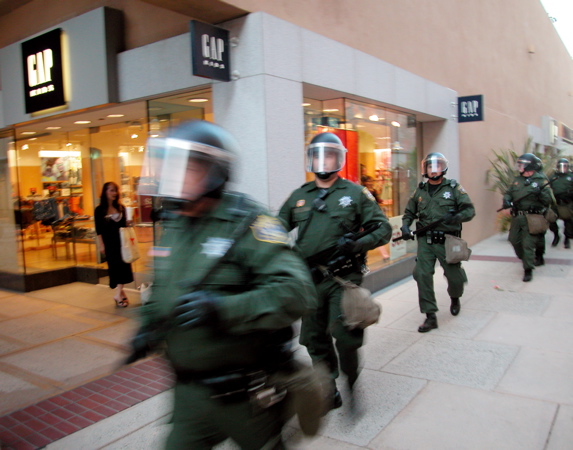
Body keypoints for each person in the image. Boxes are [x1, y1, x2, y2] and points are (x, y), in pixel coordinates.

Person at [128, 120, 317, 449]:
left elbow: (297, 291)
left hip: (244, 397)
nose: (174, 177)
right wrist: (147, 327)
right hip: (189, 395)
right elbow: (162, 289)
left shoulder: (250, 223)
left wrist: (223, 309)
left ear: (214, 172)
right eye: (171, 167)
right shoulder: (175, 225)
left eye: (187, 168)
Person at [278, 132, 392, 409]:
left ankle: (350, 377)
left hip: (343, 277)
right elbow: (276, 228)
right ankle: (329, 387)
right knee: (314, 339)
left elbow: (383, 228)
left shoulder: (354, 194)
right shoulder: (299, 196)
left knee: (346, 336)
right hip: (310, 280)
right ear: (310, 159)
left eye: (329, 155)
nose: (323, 161)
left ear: (338, 159)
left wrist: (359, 244)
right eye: (318, 155)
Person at [400, 152, 475, 332]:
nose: (433, 170)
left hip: (447, 240)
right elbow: (409, 212)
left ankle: (455, 297)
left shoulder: (454, 188)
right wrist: (405, 226)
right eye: (430, 166)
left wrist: (456, 216)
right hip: (426, 241)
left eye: (437, 166)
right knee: (422, 274)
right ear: (425, 169)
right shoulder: (420, 191)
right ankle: (430, 315)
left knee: (454, 277)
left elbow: (469, 210)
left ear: (443, 168)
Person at [502, 153, 553, 282]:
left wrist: (540, 194)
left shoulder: (541, 180)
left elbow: (548, 200)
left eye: (522, 164)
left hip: (532, 217)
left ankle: (528, 269)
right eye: (519, 164)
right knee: (514, 240)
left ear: (530, 166)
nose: (519, 167)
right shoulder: (517, 180)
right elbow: (508, 193)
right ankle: (525, 259)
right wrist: (506, 201)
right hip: (517, 217)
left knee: (528, 244)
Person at [95, 181, 134, 307]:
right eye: (111, 190)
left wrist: (129, 222)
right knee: (114, 268)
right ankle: (120, 294)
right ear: (105, 192)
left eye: (115, 190)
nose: (114, 193)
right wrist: (101, 245)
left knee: (123, 266)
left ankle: (118, 294)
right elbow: (98, 230)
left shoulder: (121, 208)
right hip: (109, 243)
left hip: (122, 243)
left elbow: (125, 226)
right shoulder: (100, 210)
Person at [549, 158, 573, 249]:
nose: (563, 168)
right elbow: (548, 188)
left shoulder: (571, 176)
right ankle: (556, 235)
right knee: (551, 219)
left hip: (567, 203)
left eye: (565, 166)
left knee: (568, 221)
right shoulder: (553, 177)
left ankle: (567, 238)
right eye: (561, 166)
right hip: (555, 203)